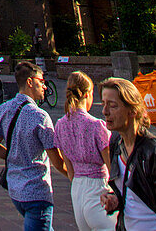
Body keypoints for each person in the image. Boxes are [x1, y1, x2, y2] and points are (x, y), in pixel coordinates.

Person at [0, 59, 68, 230]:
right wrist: (77, 178)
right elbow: (57, 160)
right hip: (36, 192)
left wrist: (15, 156)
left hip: (15, 189)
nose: (45, 86)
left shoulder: (4, 108)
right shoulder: (40, 117)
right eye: (42, 82)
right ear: (30, 82)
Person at [99, 76, 156, 231]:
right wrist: (115, 199)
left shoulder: (155, 153)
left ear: (132, 110)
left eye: (112, 105)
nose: (104, 111)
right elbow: (133, 194)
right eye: (103, 104)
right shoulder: (117, 142)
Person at [53, 70, 115, 230]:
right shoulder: (96, 126)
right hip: (99, 187)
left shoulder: (60, 125)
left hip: (78, 190)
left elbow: (69, 168)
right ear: (88, 94)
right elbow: (111, 167)